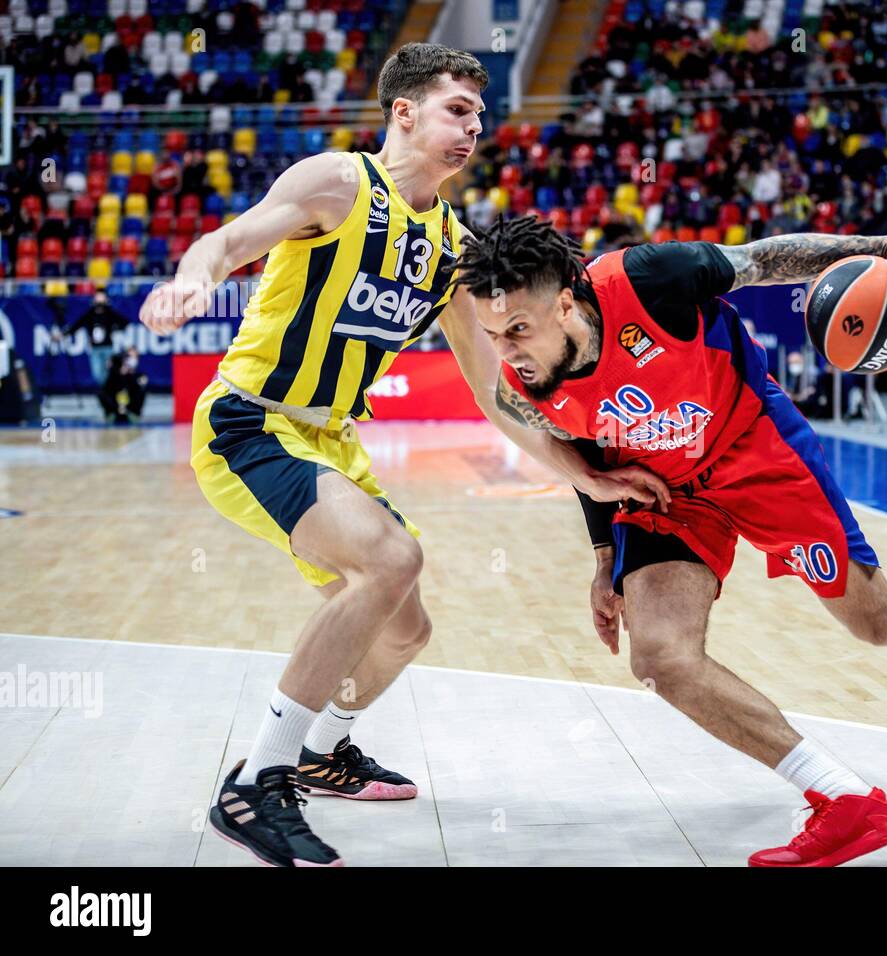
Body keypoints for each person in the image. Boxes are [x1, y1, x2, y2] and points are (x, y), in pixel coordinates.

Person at [139, 44, 666, 867]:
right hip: (250, 420)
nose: (474, 128)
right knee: (392, 557)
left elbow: (495, 393)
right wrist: (189, 282)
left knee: (405, 625)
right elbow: (226, 239)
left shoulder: (452, 244)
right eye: (458, 110)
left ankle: (319, 753)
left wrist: (583, 471)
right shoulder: (337, 184)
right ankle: (255, 785)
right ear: (405, 112)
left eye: (480, 116)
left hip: (332, 438)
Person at [451, 215, 887, 868]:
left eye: (518, 330)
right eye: (493, 334)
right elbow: (580, 448)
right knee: (659, 658)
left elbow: (764, 261)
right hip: (664, 490)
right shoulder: (524, 388)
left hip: (755, 445)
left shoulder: (651, 278)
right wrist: (605, 558)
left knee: (873, 624)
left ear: (564, 303)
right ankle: (845, 800)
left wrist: (880, 248)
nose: (508, 350)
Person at [58, 290, 129, 388]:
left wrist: (114, 329)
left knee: (110, 371)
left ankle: (109, 390)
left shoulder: (109, 313)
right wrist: (63, 335)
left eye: (102, 299)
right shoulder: (90, 314)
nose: (99, 302)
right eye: (98, 299)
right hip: (95, 348)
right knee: (97, 373)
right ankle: (106, 389)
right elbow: (77, 325)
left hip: (108, 347)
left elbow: (125, 322)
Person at [98, 346, 147, 423]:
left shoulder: (136, 376)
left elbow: (137, 393)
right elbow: (105, 393)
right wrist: (117, 407)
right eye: (129, 357)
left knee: (141, 389)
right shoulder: (113, 375)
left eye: (135, 357)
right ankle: (111, 415)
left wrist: (127, 408)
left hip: (130, 408)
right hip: (115, 409)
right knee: (101, 392)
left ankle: (133, 414)